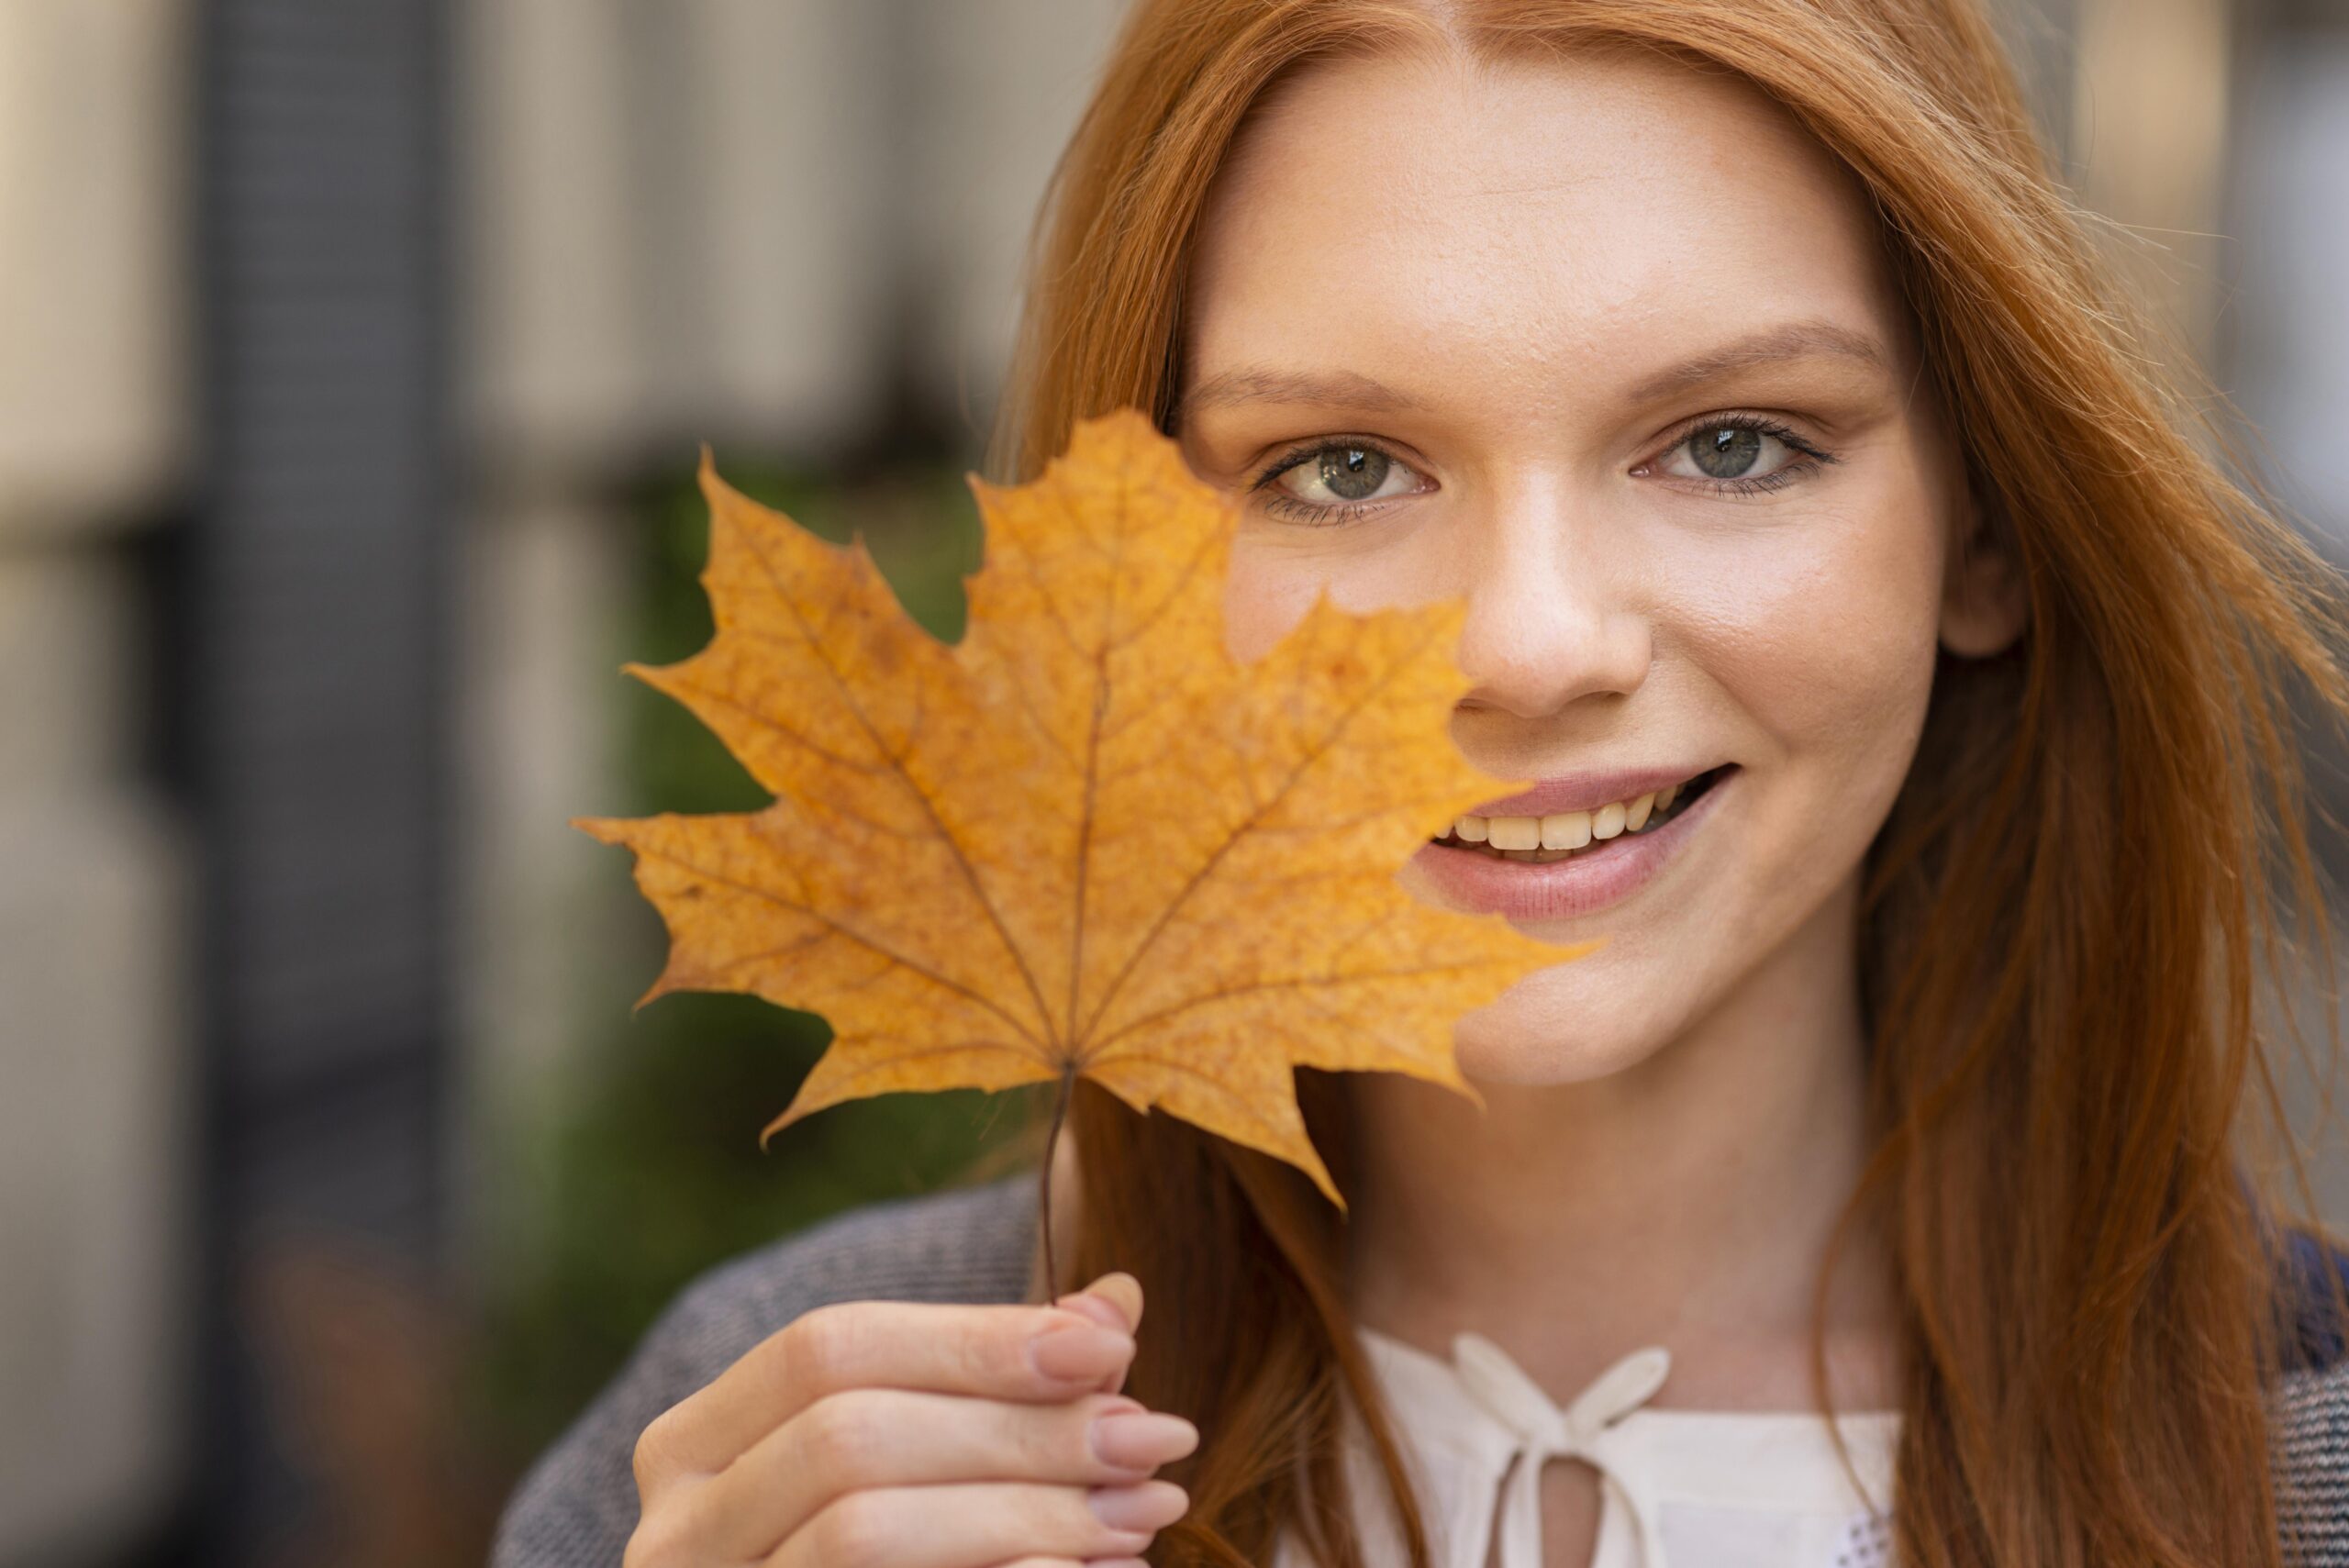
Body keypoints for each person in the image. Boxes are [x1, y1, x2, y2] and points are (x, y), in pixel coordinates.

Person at [492, 2, 2349, 1565]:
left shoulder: (2305, 1471)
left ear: (1981, 532)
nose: (1528, 645)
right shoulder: (780, 1454)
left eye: (1728, 442)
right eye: (1342, 470)